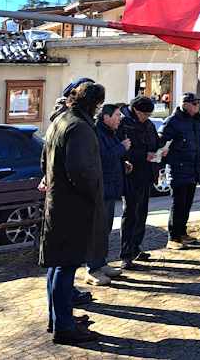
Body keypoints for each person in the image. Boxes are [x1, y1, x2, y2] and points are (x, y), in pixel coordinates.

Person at [39, 82, 106, 345]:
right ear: (95, 104)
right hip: (73, 207)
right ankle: (64, 327)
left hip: (58, 203)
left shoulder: (60, 121)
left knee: (58, 265)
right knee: (65, 266)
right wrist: (92, 195)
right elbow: (80, 171)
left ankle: (58, 318)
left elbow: (45, 160)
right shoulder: (79, 127)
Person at [84, 104, 131, 286]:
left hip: (110, 189)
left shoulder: (110, 132)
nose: (120, 118)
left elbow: (111, 158)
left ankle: (101, 263)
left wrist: (123, 163)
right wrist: (121, 148)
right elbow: (101, 158)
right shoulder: (97, 132)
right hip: (100, 189)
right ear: (106, 117)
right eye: (117, 115)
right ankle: (92, 269)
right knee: (97, 231)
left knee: (105, 229)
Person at [161, 92, 200, 250]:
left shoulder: (197, 120)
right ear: (185, 104)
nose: (197, 106)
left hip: (193, 168)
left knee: (187, 204)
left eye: (197, 103)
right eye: (194, 104)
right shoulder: (173, 121)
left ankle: (182, 233)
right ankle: (173, 237)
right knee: (178, 204)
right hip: (178, 169)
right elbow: (161, 141)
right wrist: (166, 154)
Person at [117, 96, 160, 268]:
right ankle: (126, 254)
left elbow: (155, 142)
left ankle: (136, 248)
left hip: (147, 174)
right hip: (131, 175)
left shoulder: (148, 124)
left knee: (141, 212)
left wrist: (159, 151)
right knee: (131, 213)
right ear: (136, 110)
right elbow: (123, 150)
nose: (147, 117)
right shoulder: (123, 124)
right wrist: (144, 155)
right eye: (145, 114)